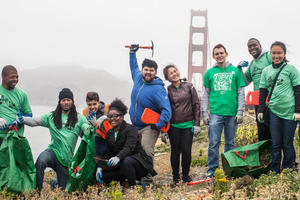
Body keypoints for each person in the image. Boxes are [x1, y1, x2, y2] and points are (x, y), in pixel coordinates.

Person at [17, 88, 93, 192]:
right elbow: (35, 121)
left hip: (66, 161)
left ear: (72, 101)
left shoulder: (79, 118)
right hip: (53, 152)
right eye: (63, 100)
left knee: (65, 191)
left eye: (68, 100)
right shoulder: (51, 116)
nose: (66, 102)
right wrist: (23, 119)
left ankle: (54, 182)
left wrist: (93, 126)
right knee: (40, 162)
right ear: (60, 102)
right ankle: (37, 191)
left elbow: (87, 130)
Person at [128, 44, 172, 183]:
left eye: (151, 70)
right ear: (142, 70)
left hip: (149, 127)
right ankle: (138, 176)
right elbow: (133, 66)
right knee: (135, 152)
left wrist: (158, 125)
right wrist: (131, 53)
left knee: (147, 151)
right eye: (146, 70)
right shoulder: (137, 77)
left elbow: (167, 110)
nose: (148, 72)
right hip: (135, 125)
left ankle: (147, 178)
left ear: (155, 72)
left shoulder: (159, 90)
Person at [202, 44, 246, 178]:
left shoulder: (236, 71)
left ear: (226, 54)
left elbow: (241, 93)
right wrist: (204, 113)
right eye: (216, 54)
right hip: (215, 113)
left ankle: (229, 170)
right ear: (213, 56)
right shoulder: (209, 73)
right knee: (213, 143)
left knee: (230, 143)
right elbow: (205, 95)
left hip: (232, 113)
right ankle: (212, 170)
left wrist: (240, 112)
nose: (219, 55)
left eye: (221, 53)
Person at [258, 41, 300, 173]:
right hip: (274, 111)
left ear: (284, 54)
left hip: (289, 112)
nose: (276, 56)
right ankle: (275, 169)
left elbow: (298, 90)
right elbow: (263, 91)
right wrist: (260, 110)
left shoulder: (291, 69)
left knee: (287, 143)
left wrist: (298, 111)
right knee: (276, 143)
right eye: (274, 53)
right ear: (270, 54)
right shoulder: (266, 71)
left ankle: (289, 168)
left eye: (279, 53)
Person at [95, 98, 156, 187]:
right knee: (103, 173)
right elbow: (107, 153)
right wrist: (100, 167)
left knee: (126, 161)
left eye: (116, 116)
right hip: (122, 164)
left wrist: (118, 157)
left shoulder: (131, 129)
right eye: (110, 116)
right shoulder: (110, 133)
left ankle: (133, 188)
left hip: (138, 165)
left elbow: (129, 147)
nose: (112, 119)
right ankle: (123, 183)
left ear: (122, 116)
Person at [163, 64, 200, 184]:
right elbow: (165, 109)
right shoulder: (167, 90)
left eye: (175, 71)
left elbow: (196, 105)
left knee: (186, 151)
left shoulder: (189, 86)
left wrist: (197, 123)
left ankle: (185, 175)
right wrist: (164, 129)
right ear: (167, 78)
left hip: (188, 125)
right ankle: (175, 177)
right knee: (175, 151)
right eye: (171, 73)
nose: (174, 74)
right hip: (174, 126)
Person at [239, 38, 272, 141]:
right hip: (258, 101)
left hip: (271, 99)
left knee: (273, 129)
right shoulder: (252, 64)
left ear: (260, 45)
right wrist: (239, 69)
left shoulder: (268, 56)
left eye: (254, 45)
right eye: (250, 46)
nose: (252, 47)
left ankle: (276, 155)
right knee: (262, 130)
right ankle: (264, 155)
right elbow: (244, 82)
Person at [0, 65, 32, 146]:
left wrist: (21, 120)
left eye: (17, 77)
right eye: (12, 77)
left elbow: (29, 114)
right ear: (3, 77)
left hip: (16, 137)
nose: (15, 79)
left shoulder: (22, 94)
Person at [83, 92, 111, 158]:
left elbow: (112, 133)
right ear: (86, 103)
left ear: (98, 102)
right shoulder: (85, 112)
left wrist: (98, 125)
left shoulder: (107, 110)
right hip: (92, 142)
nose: (92, 107)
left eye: (95, 104)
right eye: (89, 105)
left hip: (106, 142)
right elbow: (84, 135)